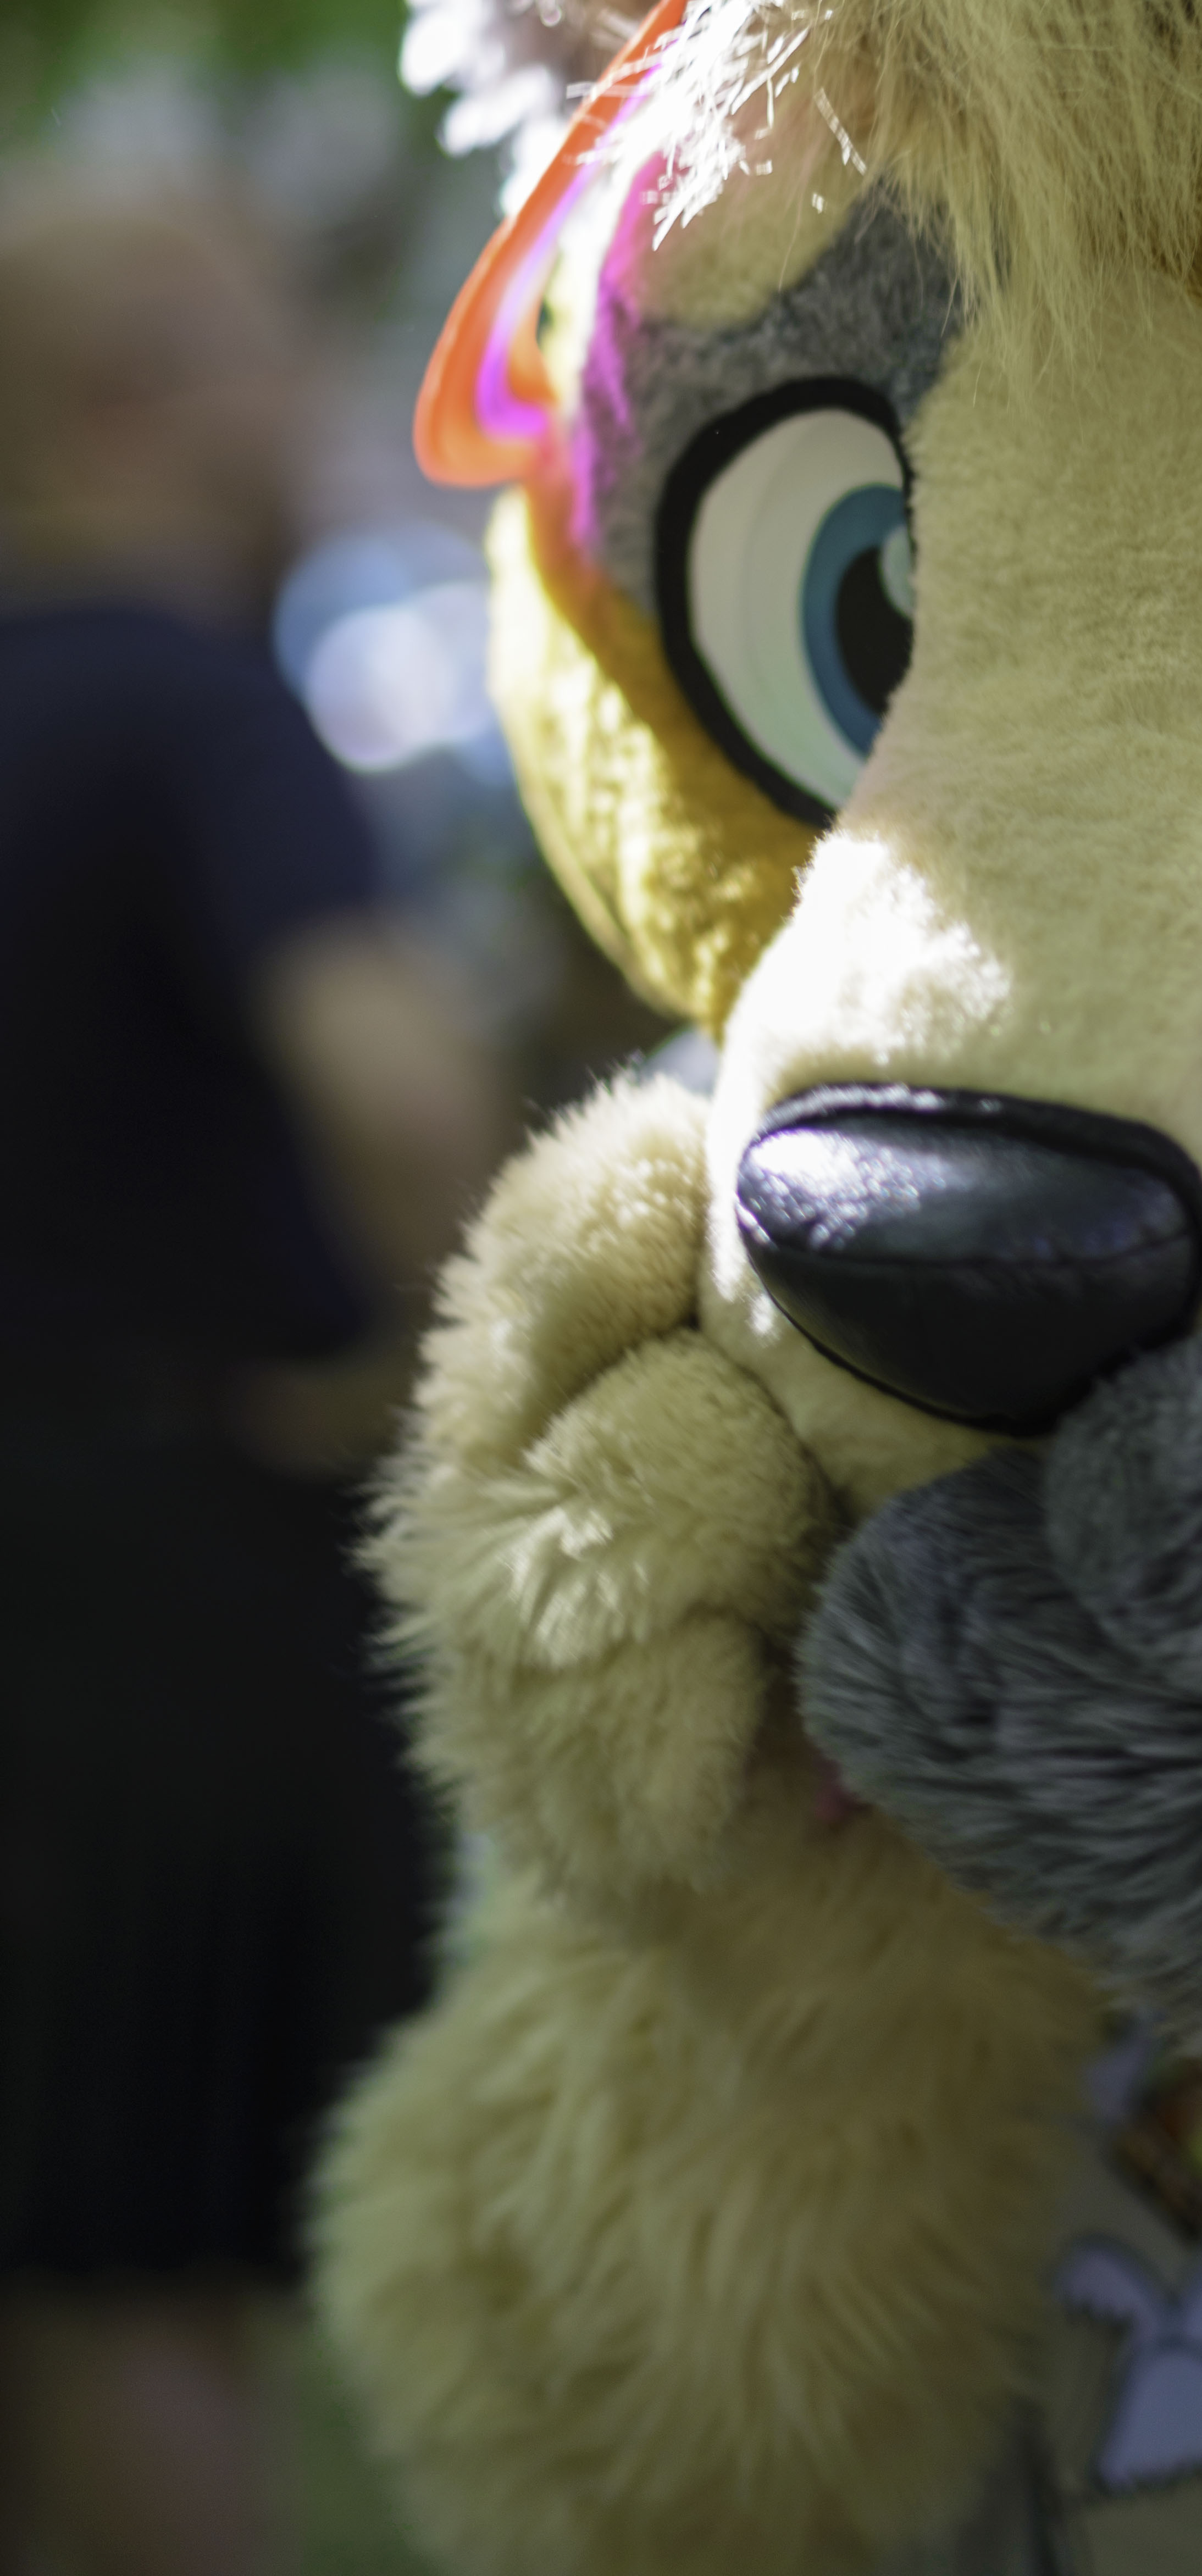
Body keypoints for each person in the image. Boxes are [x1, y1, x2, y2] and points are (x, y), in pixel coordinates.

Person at [0, 181, 504, 2576]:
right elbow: (397, 1089)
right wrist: (447, 1367)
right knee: (140, 2262)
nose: (302, 405)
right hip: (176, 1581)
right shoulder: (194, 700)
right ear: (130, 400)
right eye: (255, 350)